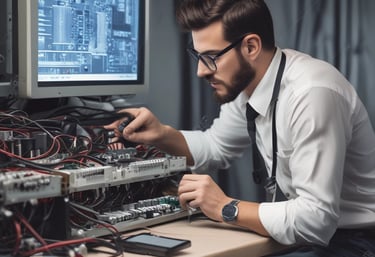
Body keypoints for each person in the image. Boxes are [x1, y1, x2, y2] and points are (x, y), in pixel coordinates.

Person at [105, 0, 375, 256]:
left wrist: (225, 207)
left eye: (211, 57)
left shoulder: (312, 94)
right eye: (197, 56)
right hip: (313, 237)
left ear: (251, 47)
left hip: (355, 241)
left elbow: (316, 220)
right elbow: (216, 147)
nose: (200, 71)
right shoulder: (252, 85)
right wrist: (161, 134)